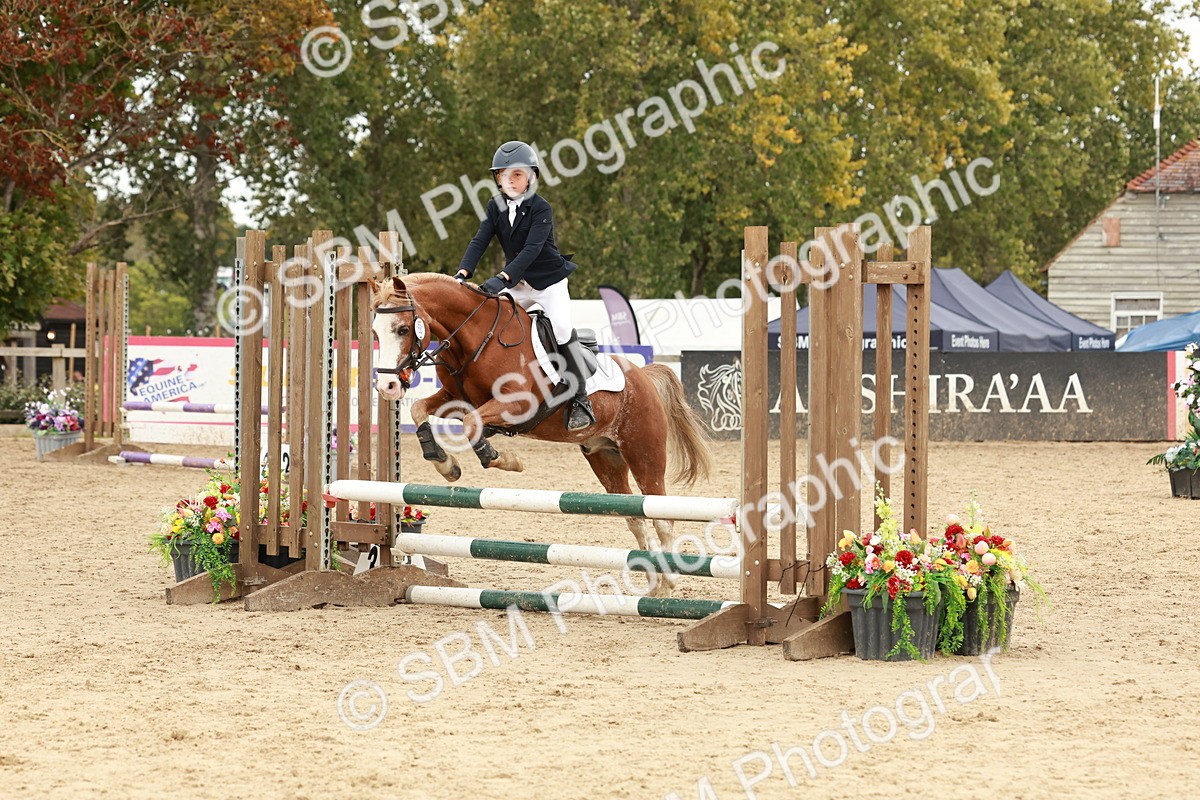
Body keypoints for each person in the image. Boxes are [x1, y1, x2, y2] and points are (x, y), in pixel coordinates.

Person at [456, 140, 596, 431]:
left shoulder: (542, 208)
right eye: (504, 175)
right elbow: (479, 240)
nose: (510, 180)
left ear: (531, 176)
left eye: (517, 174)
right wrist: (463, 273)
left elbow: (531, 250)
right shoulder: (495, 207)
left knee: (558, 328)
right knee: (494, 323)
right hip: (519, 284)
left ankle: (581, 399)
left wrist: (502, 279)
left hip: (548, 284)